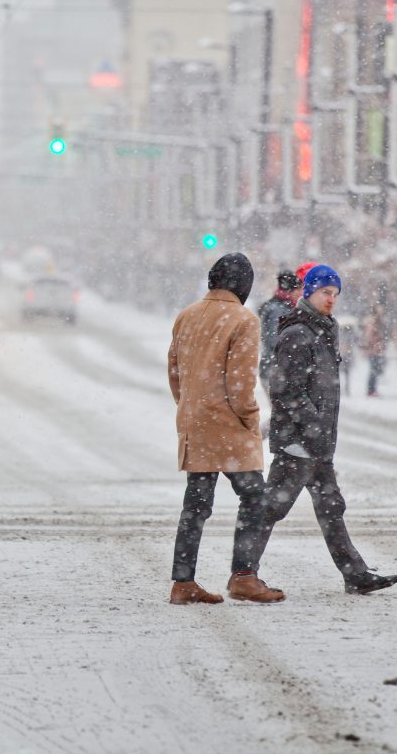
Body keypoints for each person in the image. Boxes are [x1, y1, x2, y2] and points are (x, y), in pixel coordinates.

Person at [252, 265, 397, 595]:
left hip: (316, 443)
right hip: (298, 442)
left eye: (335, 294)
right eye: (325, 293)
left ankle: (355, 574)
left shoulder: (322, 329)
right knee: (272, 507)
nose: (331, 300)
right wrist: (313, 422)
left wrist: (320, 430)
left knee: (331, 507)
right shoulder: (297, 333)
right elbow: (285, 390)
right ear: (309, 293)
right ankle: (244, 572)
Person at [166, 252, 283, 605]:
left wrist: (189, 405)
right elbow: (240, 382)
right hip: (230, 427)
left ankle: (183, 582)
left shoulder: (186, 316)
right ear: (243, 285)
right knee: (255, 498)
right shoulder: (243, 320)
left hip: (195, 423)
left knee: (196, 506)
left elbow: (174, 373)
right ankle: (244, 576)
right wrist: (249, 419)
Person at [257, 270, 302, 395]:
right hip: (277, 372)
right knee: (282, 412)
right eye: (298, 290)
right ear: (290, 291)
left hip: (275, 370)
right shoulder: (279, 310)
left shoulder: (279, 306)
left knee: (281, 412)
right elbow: (275, 340)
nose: (300, 294)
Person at [362, 305, 386, 397]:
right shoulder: (372, 322)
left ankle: (372, 389)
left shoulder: (379, 322)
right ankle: (371, 390)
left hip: (377, 349)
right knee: (373, 370)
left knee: (375, 369)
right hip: (373, 350)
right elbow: (368, 337)